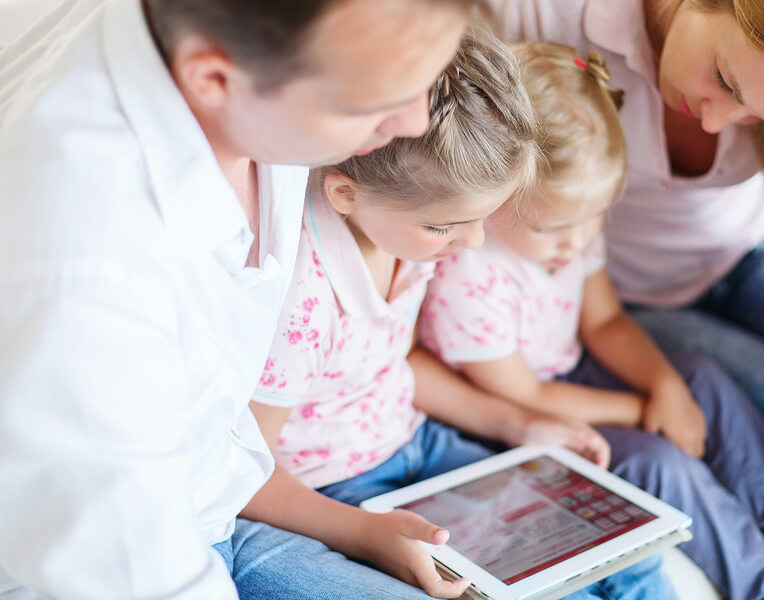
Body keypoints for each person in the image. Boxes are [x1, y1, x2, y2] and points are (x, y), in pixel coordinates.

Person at [0, 0, 476, 597]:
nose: (414, 122)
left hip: (228, 506)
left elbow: (216, 424)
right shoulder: (86, 264)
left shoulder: (252, 94)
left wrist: (356, 530)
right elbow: (123, 571)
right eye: (372, 103)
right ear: (213, 80)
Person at [243, 27, 677, 600]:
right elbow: (243, 470)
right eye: (447, 226)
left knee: (625, 553)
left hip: (419, 445)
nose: (472, 245)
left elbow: (397, 362)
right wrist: (368, 536)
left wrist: (515, 425)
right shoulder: (303, 298)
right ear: (345, 193)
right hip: (332, 489)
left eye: (484, 218)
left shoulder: (409, 236)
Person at [487, 1, 764, 597]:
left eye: (758, 117)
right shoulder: (548, 15)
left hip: (752, 255)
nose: (715, 122)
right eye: (726, 80)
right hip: (629, 299)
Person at [419, 42, 764, 600]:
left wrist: (666, 386)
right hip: (520, 418)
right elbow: (525, 396)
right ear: (496, 196)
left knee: (701, 380)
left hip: (571, 375)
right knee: (660, 464)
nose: (576, 243)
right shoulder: (468, 278)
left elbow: (605, 321)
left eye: (591, 220)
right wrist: (646, 408)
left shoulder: (570, 229)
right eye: (552, 229)